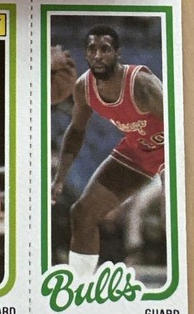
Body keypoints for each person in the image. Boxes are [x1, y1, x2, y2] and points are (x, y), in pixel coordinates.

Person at [51, 24, 164, 282]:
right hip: (138, 151)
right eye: (92, 49)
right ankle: (80, 284)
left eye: (105, 49)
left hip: (169, 152)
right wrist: (60, 179)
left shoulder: (142, 84)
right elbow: (76, 132)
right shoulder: (84, 88)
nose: (98, 55)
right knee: (82, 213)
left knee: (171, 219)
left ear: (118, 53)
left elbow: (178, 127)